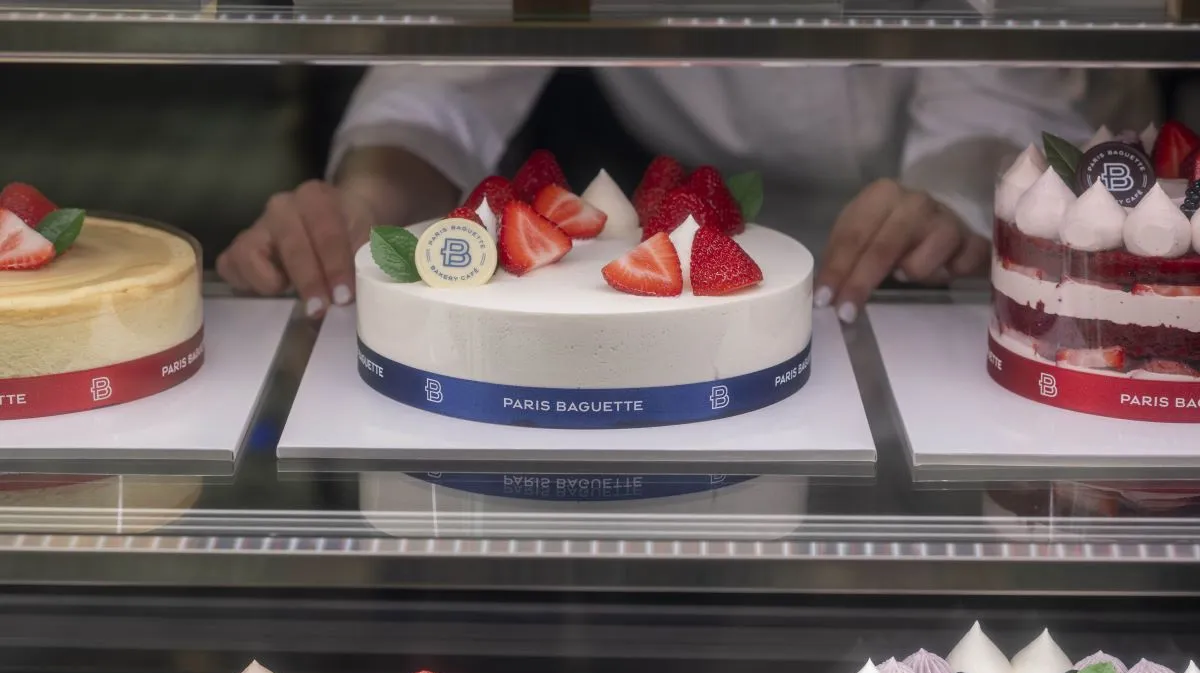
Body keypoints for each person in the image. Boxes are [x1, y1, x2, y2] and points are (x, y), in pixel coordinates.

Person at [217, 65, 1093, 323]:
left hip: (965, 233)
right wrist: (367, 203)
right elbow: (443, 76)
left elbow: (1001, 79)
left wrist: (955, 203)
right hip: (702, 230)